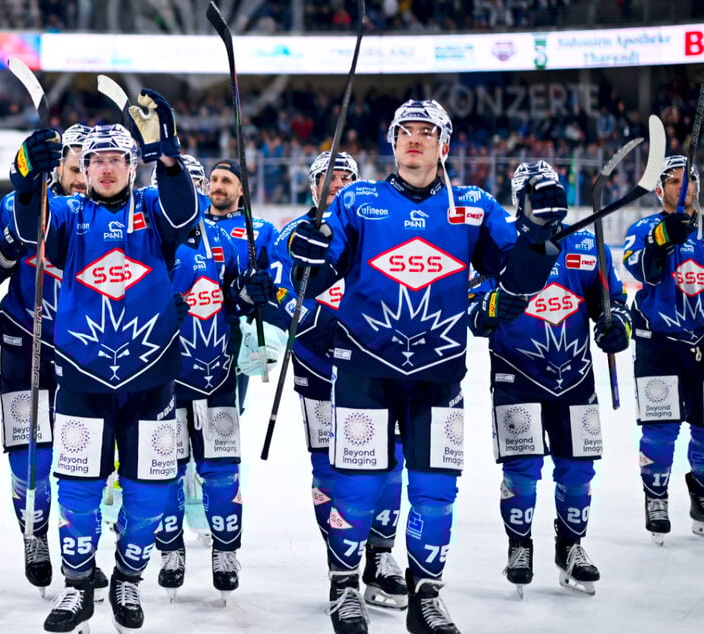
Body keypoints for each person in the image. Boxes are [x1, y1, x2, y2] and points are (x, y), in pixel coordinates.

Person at [288, 100, 565, 634]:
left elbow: (517, 283)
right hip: (364, 371)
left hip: (439, 375)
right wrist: (309, 253)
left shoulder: (474, 206)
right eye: (405, 132)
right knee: (356, 486)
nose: (415, 140)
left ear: (446, 144)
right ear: (392, 143)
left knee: (437, 491)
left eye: (427, 132)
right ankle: (344, 587)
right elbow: (316, 278)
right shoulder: (357, 200)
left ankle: (426, 594)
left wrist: (536, 239)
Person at [4, 90, 234, 633]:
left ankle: (128, 579)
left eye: (117, 160)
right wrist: (25, 182)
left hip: (152, 379)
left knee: (149, 489)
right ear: (84, 169)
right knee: (78, 490)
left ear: (133, 166)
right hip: (82, 378)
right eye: (96, 161)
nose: (106, 169)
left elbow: (184, 213)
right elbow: (25, 232)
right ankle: (78, 586)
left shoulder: (155, 209)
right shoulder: (69, 212)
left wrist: (170, 155)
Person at [469, 160, 632, 597]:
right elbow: (475, 313)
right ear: (519, 201)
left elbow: (611, 301)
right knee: (521, 472)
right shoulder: (498, 244)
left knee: (578, 472)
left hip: (576, 378)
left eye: (551, 194)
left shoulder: (585, 242)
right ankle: (519, 546)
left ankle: (571, 546)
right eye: (535, 195)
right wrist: (489, 309)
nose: (544, 203)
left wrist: (616, 326)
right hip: (515, 376)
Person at [0, 123, 109, 598]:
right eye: (74, 167)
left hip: (83, 351)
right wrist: (15, 243)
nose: (81, 177)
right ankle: (34, 534)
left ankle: (82, 550)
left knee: (83, 457)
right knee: (31, 453)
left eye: (88, 167)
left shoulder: (107, 214)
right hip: (24, 340)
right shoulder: (20, 206)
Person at [271, 151, 408, 611]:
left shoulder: (375, 230)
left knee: (387, 460)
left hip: (373, 367)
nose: (336, 185)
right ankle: (342, 559)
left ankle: (382, 555)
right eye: (327, 179)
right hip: (316, 365)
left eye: (345, 178)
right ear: (313, 187)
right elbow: (276, 290)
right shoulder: (294, 233)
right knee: (330, 467)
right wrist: (294, 314)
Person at [153, 155, 274, 603]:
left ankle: (226, 550)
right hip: (161, 376)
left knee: (222, 470)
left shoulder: (220, 236)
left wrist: (250, 292)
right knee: (165, 467)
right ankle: (170, 551)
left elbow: (235, 295)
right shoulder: (146, 237)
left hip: (217, 371)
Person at [622, 154, 704, 544]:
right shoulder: (643, 227)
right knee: (660, 430)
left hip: (701, 343)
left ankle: (701, 491)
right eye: (672, 181)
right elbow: (641, 271)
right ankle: (655, 496)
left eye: (687, 180)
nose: (681, 186)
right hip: (659, 345)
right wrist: (663, 239)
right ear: (660, 190)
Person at [205, 158, 279, 406]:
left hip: (236, 331)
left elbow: (277, 284)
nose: (218, 185)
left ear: (241, 190)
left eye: (226, 180)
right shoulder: (192, 225)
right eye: (214, 179)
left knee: (226, 419)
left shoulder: (262, 230)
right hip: (192, 329)